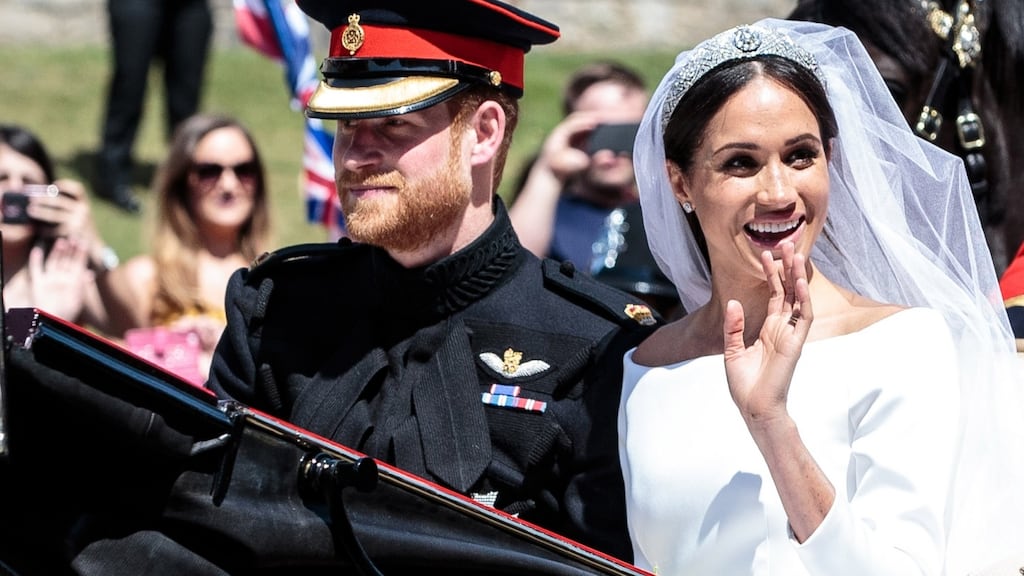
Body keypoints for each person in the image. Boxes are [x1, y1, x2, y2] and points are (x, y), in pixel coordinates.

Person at [198, 0, 658, 564]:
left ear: (484, 133)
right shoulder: (276, 308)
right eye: (346, 124)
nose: (357, 155)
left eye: (393, 124)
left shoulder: (596, 346)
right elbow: (204, 522)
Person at [618, 19, 1024, 576]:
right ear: (681, 183)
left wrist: (772, 425)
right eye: (741, 163)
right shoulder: (647, 367)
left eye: (800, 156)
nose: (779, 192)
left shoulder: (904, 344)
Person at [103, 113, 272, 386]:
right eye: (209, 172)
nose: (228, 185)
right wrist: (175, 343)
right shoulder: (146, 277)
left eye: (244, 171)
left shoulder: (280, 279)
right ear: (181, 182)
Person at [509, 61, 680, 317]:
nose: (611, 151)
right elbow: (509, 273)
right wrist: (549, 170)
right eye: (598, 132)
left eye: (625, 132)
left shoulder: (663, 213)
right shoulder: (548, 211)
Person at [95, 0, 213, 214]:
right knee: (129, 87)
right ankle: (113, 178)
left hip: (190, 7)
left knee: (185, 101)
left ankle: (185, 178)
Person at [0, 123, 122, 332]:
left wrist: (96, 247)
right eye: (2, 178)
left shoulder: (66, 274)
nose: (15, 191)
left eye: (29, 182)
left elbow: (129, 327)